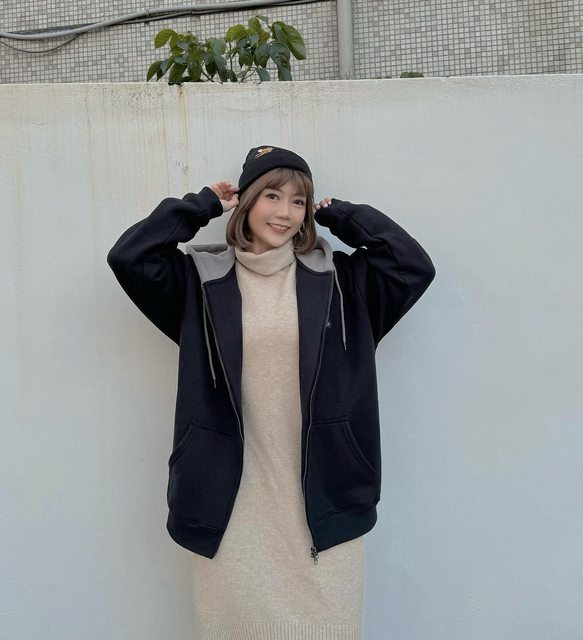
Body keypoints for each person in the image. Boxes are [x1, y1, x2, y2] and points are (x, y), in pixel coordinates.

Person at [106, 145, 436, 639]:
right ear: (247, 202)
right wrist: (200, 205)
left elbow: (413, 266)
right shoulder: (201, 281)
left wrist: (343, 217)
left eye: (298, 201)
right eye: (272, 196)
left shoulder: (342, 282)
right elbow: (130, 256)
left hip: (325, 502)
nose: (285, 212)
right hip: (229, 504)